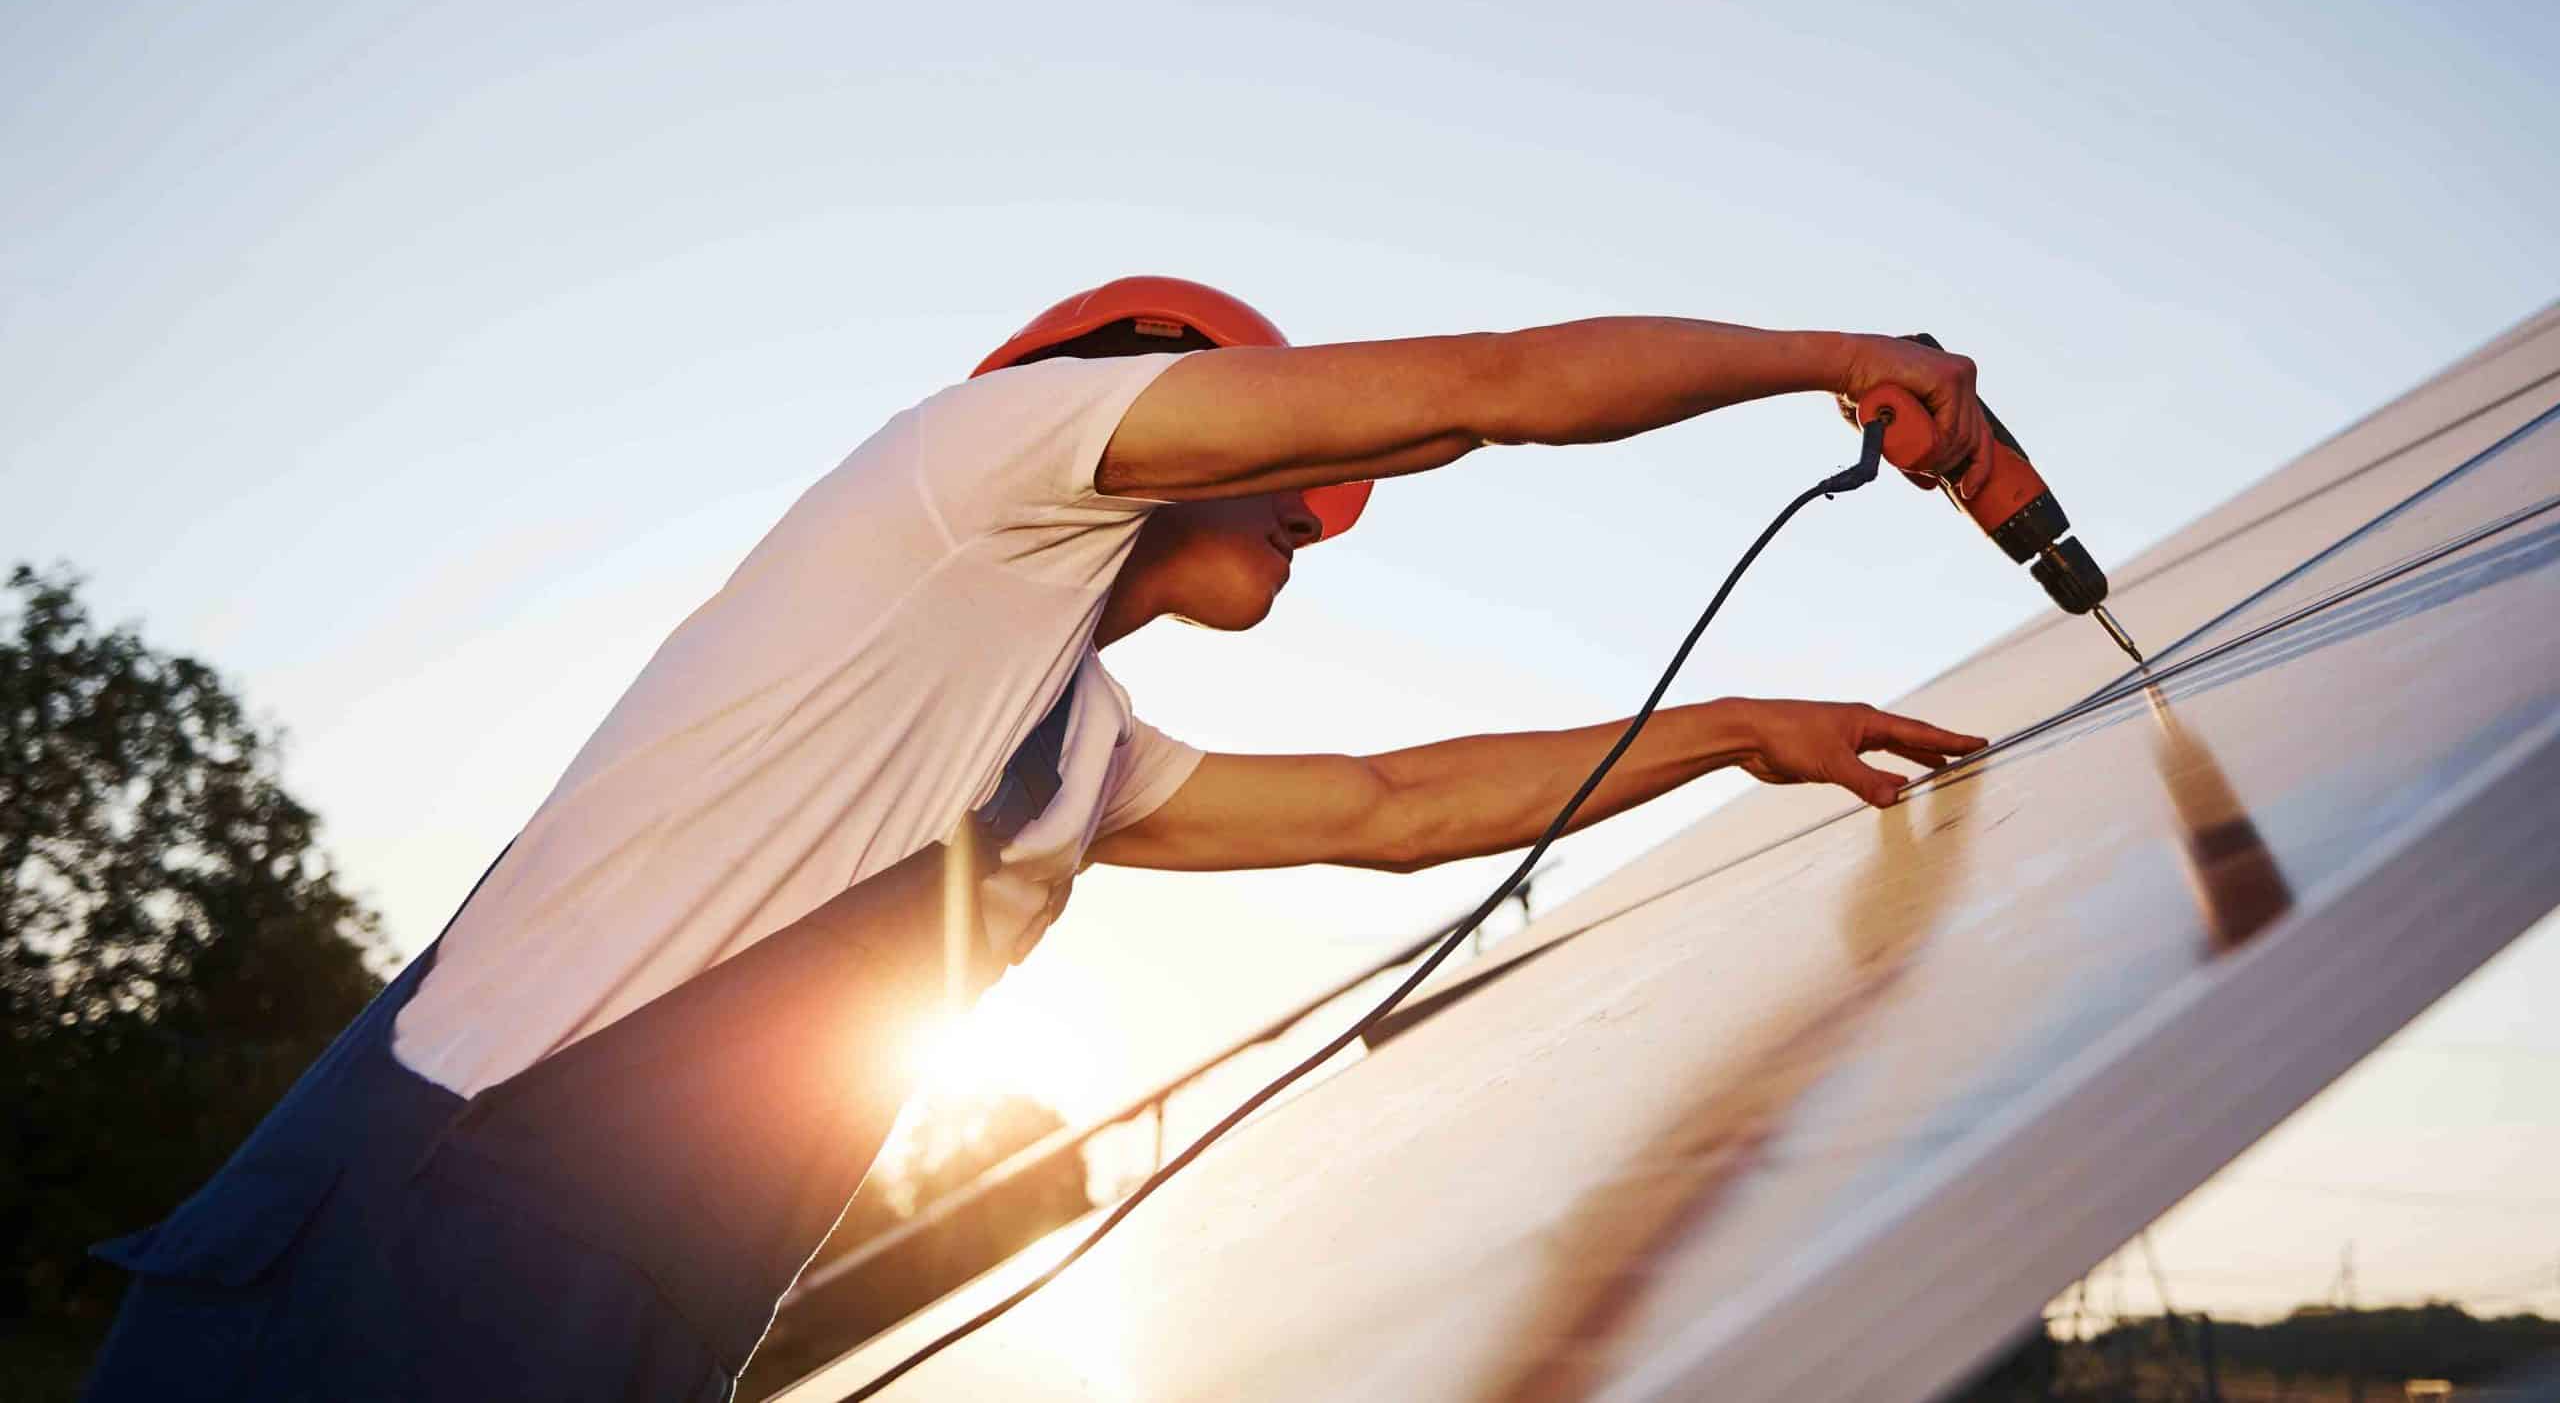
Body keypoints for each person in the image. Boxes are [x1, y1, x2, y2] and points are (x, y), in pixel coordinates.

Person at [83, 276, 1992, 1402]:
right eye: (1281, 452)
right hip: (395, 1255)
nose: (1322, 513)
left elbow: (1393, 811)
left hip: (631, 1321)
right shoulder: (970, 467)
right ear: (1145, 390)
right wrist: (1828, 354)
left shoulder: (1074, 745)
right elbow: (1476, 391)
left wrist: (1743, 722)